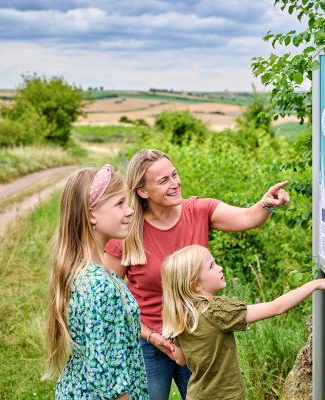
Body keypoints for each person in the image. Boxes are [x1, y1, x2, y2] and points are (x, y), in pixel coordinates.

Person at [102, 149, 291, 400]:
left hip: (196, 338)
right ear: (142, 191)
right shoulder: (127, 231)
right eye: (164, 180)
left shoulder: (198, 210)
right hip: (148, 342)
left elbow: (247, 217)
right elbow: (112, 297)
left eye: (174, 175)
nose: (175, 183)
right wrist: (150, 335)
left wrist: (266, 203)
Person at [158, 245, 325, 400]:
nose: (220, 268)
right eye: (211, 266)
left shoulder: (179, 316)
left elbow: (181, 360)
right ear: (195, 285)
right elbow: (276, 307)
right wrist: (314, 284)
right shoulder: (217, 311)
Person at [42, 165, 150, 400]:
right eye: (120, 203)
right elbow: (108, 379)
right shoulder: (99, 285)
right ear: (91, 214)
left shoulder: (81, 270)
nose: (130, 211)